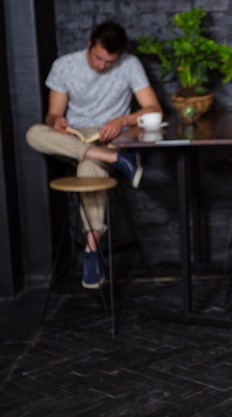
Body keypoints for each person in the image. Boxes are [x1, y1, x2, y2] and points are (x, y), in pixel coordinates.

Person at [26, 20, 162, 289]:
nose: (102, 66)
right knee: (34, 133)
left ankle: (91, 253)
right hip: (73, 139)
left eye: (109, 62)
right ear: (90, 45)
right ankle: (117, 161)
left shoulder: (130, 64)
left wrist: (122, 120)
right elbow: (53, 114)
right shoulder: (65, 65)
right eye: (98, 58)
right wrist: (57, 122)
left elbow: (153, 110)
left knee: (89, 167)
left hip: (108, 138)